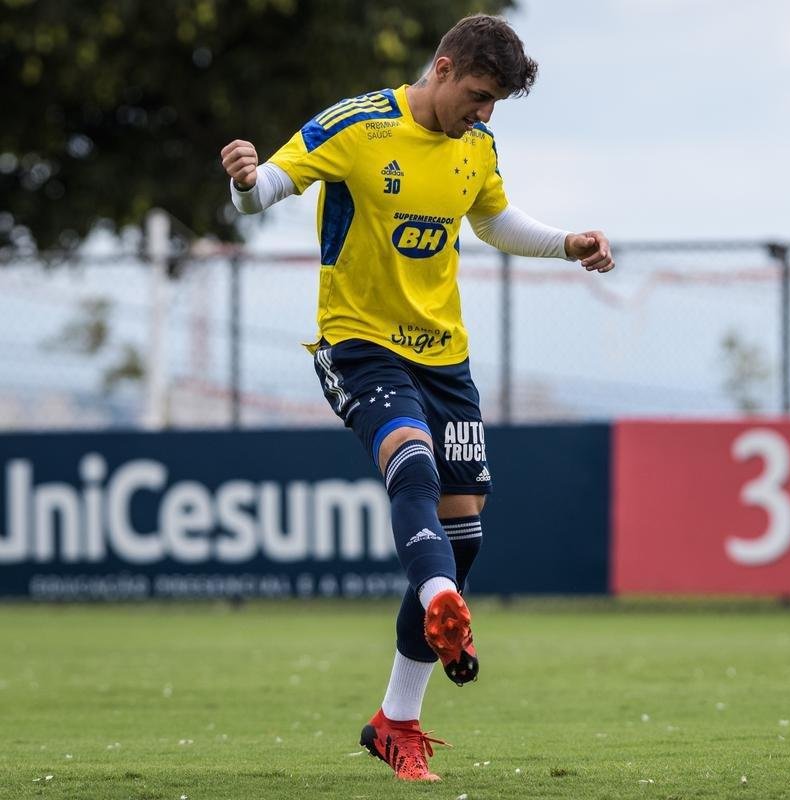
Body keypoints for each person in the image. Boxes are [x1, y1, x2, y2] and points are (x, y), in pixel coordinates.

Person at [219, 14, 613, 783]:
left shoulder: (478, 146)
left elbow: (494, 220)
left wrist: (566, 243)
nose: (485, 112)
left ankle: (396, 719)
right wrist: (243, 177)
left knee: (464, 539)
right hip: (359, 342)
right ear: (442, 68)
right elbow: (266, 188)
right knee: (413, 463)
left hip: (446, 359)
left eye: (496, 102)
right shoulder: (357, 125)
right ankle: (441, 602)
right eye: (478, 94)